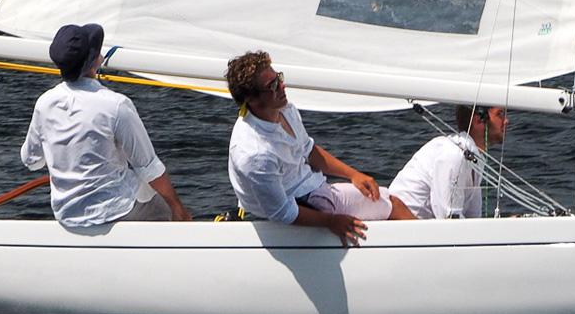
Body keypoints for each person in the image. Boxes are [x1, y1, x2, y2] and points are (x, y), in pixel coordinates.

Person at [225, 50, 413, 246]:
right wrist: (331, 221)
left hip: (314, 189)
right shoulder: (255, 154)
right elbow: (282, 212)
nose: (282, 86)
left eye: (279, 78)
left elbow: (308, 150)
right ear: (252, 100)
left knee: (389, 202)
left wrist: (354, 175)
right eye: (272, 86)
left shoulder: (284, 109)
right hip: (300, 204)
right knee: (395, 207)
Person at [21, 22, 192, 228]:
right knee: (163, 208)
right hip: (115, 210)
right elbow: (149, 167)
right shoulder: (116, 105)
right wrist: (177, 208)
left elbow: (31, 160)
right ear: (96, 60)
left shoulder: (44, 103)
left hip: (67, 214)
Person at [388, 104, 508, 219]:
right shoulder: (454, 155)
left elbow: (473, 218)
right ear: (478, 120)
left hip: (423, 232)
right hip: (399, 228)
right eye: (500, 114)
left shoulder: (475, 159)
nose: (506, 121)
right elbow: (449, 219)